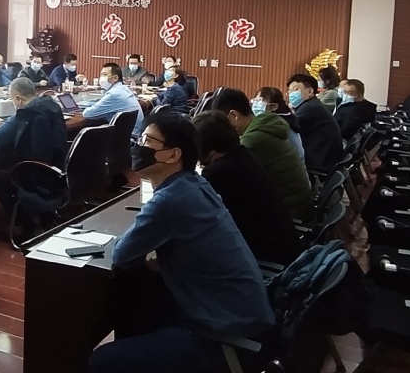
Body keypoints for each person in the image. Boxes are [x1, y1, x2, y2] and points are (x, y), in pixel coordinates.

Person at [88, 112, 274, 373]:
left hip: (227, 338)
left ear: (173, 154)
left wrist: (153, 254)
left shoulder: (170, 200)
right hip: (243, 314)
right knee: (141, 306)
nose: (139, 146)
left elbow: (121, 254)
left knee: (101, 362)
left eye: (147, 140)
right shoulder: (195, 183)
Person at [192, 110, 302, 266]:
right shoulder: (241, 155)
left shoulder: (218, 172)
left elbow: (198, 217)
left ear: (205, 149)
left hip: (266, 259)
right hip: (284, 248)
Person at [211, 88, 314, 221]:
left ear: (234, 116)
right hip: (299, 205)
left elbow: (229, 177)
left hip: (290, 214)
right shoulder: (264, 126)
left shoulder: (252, 141)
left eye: (222, 123)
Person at [0, 78, 68, 232]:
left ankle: (27, 223)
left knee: (0, 183)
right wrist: (7, 123)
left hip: (36, 177)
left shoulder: (26, 113)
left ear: (17, 98)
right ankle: (45, 217)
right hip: (57, 172)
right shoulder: (51, 105)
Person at [287, 74, 344, 175]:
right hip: (323, 155)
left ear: (310, 91)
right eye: (290, 91)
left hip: (318, 160)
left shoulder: (310, 108)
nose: (291, 94)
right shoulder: (311, 104)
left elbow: (287, 127)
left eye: (296, 90)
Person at [82, 63, 144, 134]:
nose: (101, 78)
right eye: (101, 75)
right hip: (133, 135)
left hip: (128, 137)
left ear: (115, 78)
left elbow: (88, 114)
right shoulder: (124, 88)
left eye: (104, 75)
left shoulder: (114, 94)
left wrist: (85, 107)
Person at [252, 87, 305, 162]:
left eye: (260, 100)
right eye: (255, 100)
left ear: (274, 106)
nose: (255, 104)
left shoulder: (279, 124)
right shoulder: (281, 120)